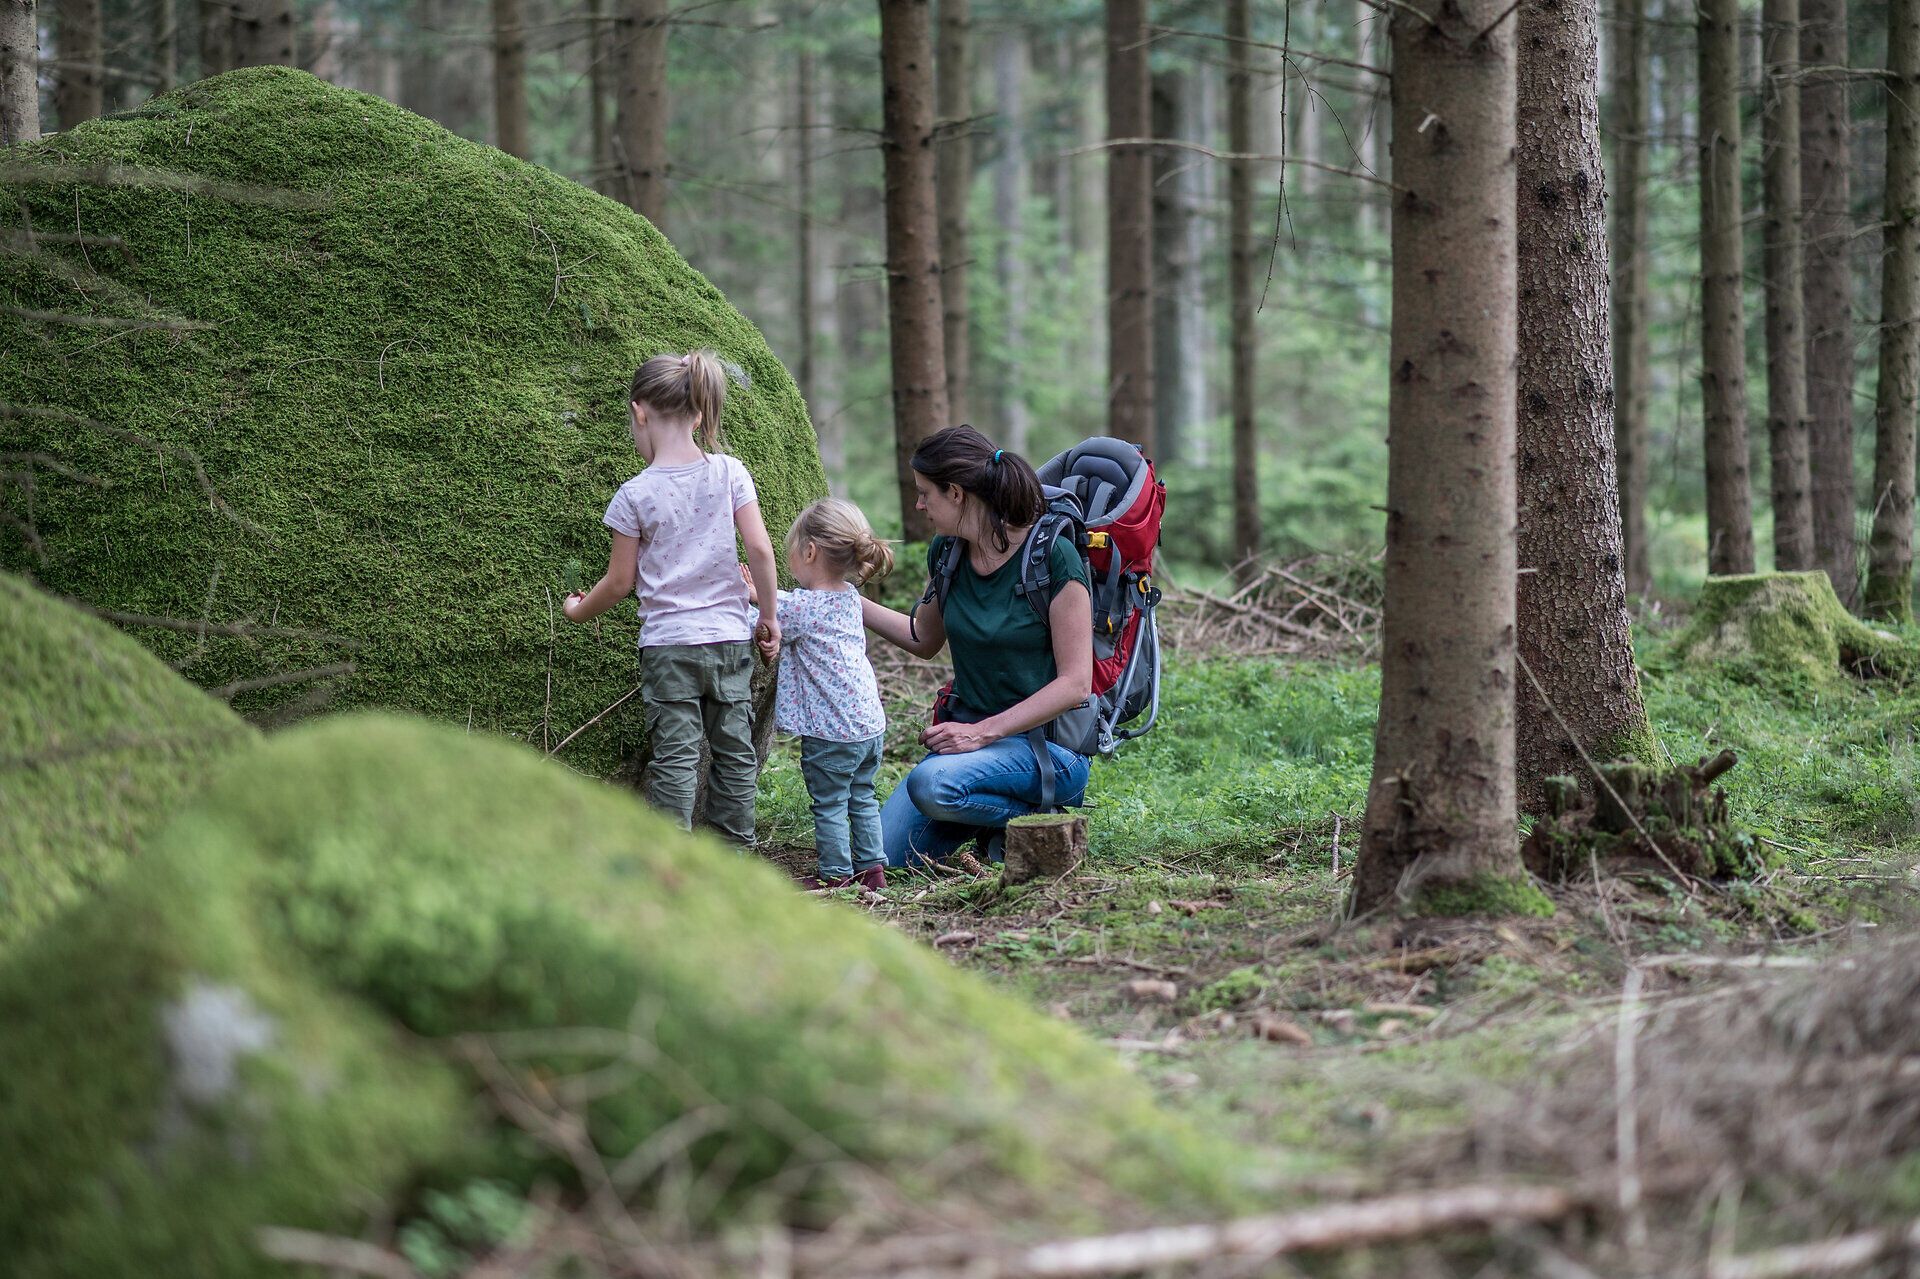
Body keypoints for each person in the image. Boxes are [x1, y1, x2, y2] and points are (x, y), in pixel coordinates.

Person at [562, 349, 780, 844]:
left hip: (668, 647)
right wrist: (768, 617)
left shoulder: (634, 495)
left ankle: (672, 862)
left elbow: (619, 583)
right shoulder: (730, 472)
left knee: (677, 759)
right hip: (728, 640)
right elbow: (761, 550)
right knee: (735, 752)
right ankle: (733, 858)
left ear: (639, 412)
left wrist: (577, 611)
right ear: (698, 413)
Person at [861, 426, 1094, 868]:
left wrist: (981, 732)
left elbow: (1076, 683)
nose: (919, 505)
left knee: (932, 785)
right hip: (970, 750)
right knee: (883, 856)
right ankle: (985, 814)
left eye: (925, 494)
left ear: (956, 493)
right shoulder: (947, 553)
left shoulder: (1053, 557)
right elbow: (923, 637)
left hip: (1046, 749)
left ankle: (1041, 815)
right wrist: (847, 602)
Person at [768, 498, 895, 890]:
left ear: (809, 552)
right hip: (868, 727)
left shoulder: (805, 606)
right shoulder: (850, 598)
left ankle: (836, 875)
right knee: (862, 796)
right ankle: (873, 871)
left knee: (830, 803)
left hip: (832, 732)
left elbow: (770, 612)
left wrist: (752, 591)